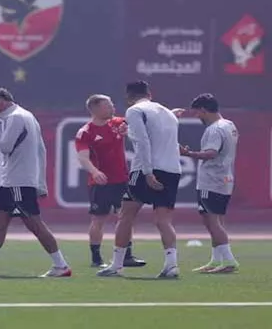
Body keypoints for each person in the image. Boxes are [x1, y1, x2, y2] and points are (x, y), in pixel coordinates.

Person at [0, 86, 71, 277]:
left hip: (18, 180)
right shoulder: (26, 115)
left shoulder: (14, 118)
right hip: (13, 180)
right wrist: (39, 181)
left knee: (34, 223)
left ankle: (61, 265)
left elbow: (5, 146)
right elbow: (40, 150)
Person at [98, 81, 182, 278]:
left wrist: (148, 172)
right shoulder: (168, 113)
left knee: (126, 214)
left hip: (147, 168)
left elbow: (143, 142)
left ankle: (117, 264)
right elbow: (156, 136)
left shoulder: (135, 111)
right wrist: (129, 132)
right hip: (172, 169)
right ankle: (172, 265)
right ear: (149, 94)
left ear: (128, 97)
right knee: (163, 220)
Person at [74, 94, 145, 268]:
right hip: (101, 183)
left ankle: (127, 255)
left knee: (126, 217)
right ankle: (96, 258)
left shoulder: (118, 123)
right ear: (95, 109)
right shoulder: (85, 132)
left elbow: (142, 122)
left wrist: (128, 131)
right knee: (98, 219)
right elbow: (83, 158)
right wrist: (95, 171)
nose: (113, 107)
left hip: (122, 180)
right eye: (108, 105)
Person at [181, 94, 240, 274]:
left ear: (204, 110)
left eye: (197, 113)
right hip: (225, 178)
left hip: (212, 179)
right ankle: (216, 260)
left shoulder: (214, 129)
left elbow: (211, 153)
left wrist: (188, 154)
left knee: (211, 221)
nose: (197, 117)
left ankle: (229, 260)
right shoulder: (229, 125)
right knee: (217, 221)